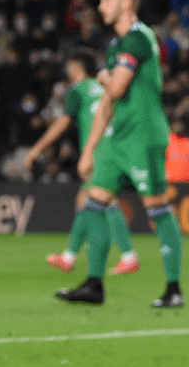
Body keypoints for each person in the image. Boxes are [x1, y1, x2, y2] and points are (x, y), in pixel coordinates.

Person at [67, 0, 185, 308]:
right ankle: (93, 284)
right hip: (117, 139)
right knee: (93, 202)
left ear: (126, 3)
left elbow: (115, 88)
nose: (101, 7)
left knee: (157, 209)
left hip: (144, 136)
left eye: (106, 0)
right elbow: (106, 103)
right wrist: (89, 150)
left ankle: (173, 289)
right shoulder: (117, 47)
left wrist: (103, 78)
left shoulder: (139, 39)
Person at [24, 49, 139, 276]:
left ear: (76, 66)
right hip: (117, 147)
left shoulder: (78, 90)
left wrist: (35, 150)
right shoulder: (108, 86)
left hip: (98, 151)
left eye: (69, 65)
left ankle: (125, 255)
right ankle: (71, 256)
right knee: (92, 199)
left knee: (98, 199)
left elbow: (62, 124)